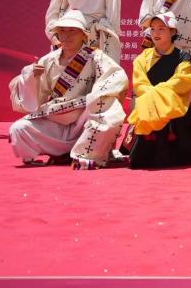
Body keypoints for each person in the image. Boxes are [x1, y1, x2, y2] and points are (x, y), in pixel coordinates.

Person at [9, 10, 128, 169]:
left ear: (84, 35)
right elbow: (35, 99)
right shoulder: (48, 60)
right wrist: (30, 77)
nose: (66, 35)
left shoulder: (96, 57)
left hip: (83, 119)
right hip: (56, 119)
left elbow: (116, 76)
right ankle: (49, 154)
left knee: (108, 108)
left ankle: (86, 155)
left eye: (72, 30)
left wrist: (94, 97)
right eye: (62, 31)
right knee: (19, 128)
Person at [127, 11, 191, 169]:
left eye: (161, 29)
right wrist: (153, 98)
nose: (156, 33)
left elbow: (183, 81)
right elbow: (139, 84)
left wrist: (157, 94)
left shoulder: (183, 57)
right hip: (149, 106)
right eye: (153, 29)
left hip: (173, 106)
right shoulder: (143, 58)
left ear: (173, 32)